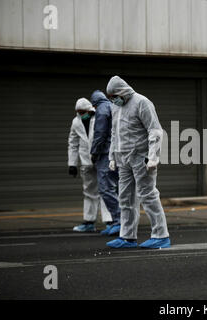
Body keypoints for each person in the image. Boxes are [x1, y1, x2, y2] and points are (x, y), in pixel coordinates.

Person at [105, 76, 171, 249]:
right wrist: (112, 156)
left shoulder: (141, 102)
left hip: (141, 157)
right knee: (125, 198)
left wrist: (153, 156)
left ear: (122, 92)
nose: (113, 99)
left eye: (114, 95)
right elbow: (114, 133)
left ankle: (161, 235)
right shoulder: (116, 106)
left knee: (147, 195)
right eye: (110, 97)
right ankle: (127, 237)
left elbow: (155, 130)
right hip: (123, 158)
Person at [68, 98, 113, 232]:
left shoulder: (100, 118)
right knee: (89, 191)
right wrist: (72, 163)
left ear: (89, 110)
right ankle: (89, 221)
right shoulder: (76, 122)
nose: (81, 114)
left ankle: (110, 221)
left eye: (83, 112)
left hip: (101, 159)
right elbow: (73, 143)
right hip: (86, 162)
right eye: (79, 112)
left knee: (106, 189)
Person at [90, 90, 122, 236]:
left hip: (105, 154)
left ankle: (118, 220)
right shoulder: (112, 106)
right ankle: (120, 221)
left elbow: (100, 133)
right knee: (116, 188)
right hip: (117, 152)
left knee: (105, 188)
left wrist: (95, 152)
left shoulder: (102, 109)